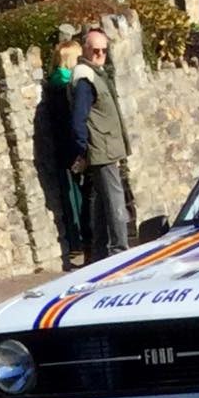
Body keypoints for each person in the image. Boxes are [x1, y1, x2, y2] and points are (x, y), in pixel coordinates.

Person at [70, 28, 131, 261]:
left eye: (104, 51)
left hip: (105, 146)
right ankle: (119, 251)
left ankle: (98, 253)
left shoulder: (96, 73)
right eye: (95, 50)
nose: (99, 54)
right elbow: (78, 119)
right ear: (85, 50)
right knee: (115, 200)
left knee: (101, 203)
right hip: (101, 149)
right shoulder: (85, 78)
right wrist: (84, 148)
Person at [46, 39, 86, 266]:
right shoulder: (63, 85)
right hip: (69, 147)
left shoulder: (55, 83)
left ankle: (76, 238)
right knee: (74, 194)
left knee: (71, 193)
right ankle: (78, 239)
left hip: (61, 146)